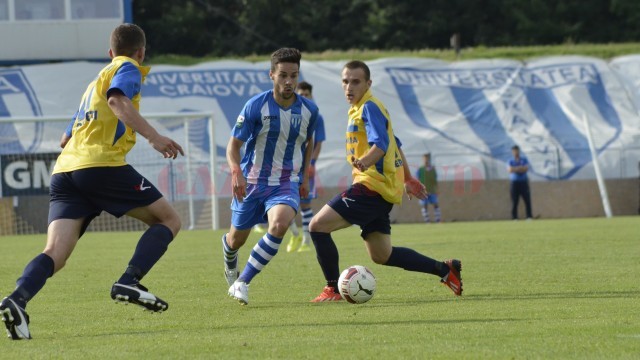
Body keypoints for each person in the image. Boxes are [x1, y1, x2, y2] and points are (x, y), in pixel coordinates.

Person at [0, 24, 184, 340]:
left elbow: (65, 137)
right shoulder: (128, 69)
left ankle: (16, 300)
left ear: (109, 52)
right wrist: (153, 137)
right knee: (169, 220)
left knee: (56, 251)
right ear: (140, 52)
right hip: (101, 166)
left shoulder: (92, 85)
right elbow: (116, 100)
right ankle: (129, 280)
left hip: (65, 171)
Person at [308, 60, 462, 302]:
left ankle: (333, 289)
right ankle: (445, 269)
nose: (349, 87)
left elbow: (381, 144)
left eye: (356, 82)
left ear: (368, 83)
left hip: (370, 188)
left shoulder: (369, 107)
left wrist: (366, 161)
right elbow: (395, 142)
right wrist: (408, 178)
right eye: (345, 81)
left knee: (317, 226)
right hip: (381, 191)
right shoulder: (361, 108)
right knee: (382, 255)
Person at [222, 48, 318, 305]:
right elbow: (233, 147)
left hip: (286, 182)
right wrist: (236, 172)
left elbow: (308, 142)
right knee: (235, 240)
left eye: (294, 76)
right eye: (283, 75)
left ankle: (243, 282)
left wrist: (305, 176)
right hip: (252, 182)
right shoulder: (256, 106)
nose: (289, 82)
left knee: (279, 224)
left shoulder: (309, 110)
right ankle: (230, 258)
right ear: (272, 75)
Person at [286, 81, 326, 253]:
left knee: (305, 205)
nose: (303, 97)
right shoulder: (288, 113)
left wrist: (311, 163)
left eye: (306, 95)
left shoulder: (316, 116)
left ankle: (306, 242)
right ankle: (294, 233)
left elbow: (317, 143)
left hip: (306, 167)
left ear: (311, 95)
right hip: (288, 166)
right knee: (283, 204)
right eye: (300, 94)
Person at [508, 145, 532, 220]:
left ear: (519, 151)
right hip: (514, 183)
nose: (516, 152)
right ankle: (514, 217)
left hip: (523, 182)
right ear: (512, 152)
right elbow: (510, 170)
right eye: (514, 151)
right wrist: (519, 168)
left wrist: (515, 169)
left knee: (527, 200)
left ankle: (529, 216)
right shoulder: (510, 161)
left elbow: (525, 168)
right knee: (515, 201)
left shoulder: (524, 159)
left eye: (517, 151)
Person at [416, 153, 441, 223]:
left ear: (429, 159)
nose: (426, 160)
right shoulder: (420, 169)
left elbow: (435, 180)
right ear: (422, 159)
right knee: (424, 205)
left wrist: (437, 189)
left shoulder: (433, 169)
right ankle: (427, 221)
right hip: (423, 191)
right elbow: (417, 180)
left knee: (435, 204)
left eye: (427, 158)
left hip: (432, 190)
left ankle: (438, 220)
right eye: (424, 158)